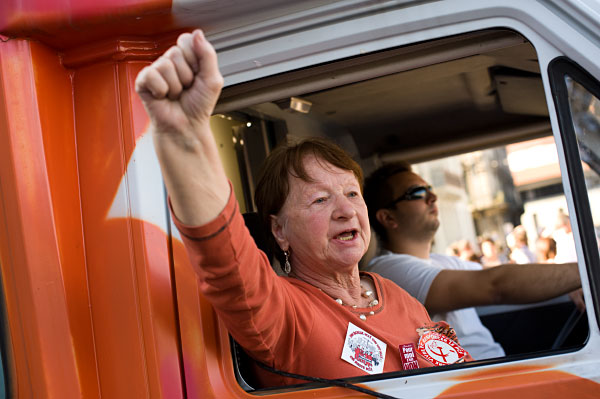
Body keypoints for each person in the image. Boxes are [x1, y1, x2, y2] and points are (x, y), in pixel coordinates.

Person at [134, 30, 468, 388]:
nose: (345, 210)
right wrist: (186, 137)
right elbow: (228, 264)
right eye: (320, 200)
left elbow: (465, 379)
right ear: (279, 231)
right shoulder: (284, 313)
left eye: (352, 194)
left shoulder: (397, 296)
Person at [363, 161, 582, 360]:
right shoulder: (388, 271)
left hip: (493, 372)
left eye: (430, 189)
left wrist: (567, 282)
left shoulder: (443, 262)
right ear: (388, 217)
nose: (433, 197)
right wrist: (584, 272)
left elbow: (511, 273)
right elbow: (496, 285)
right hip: (473, 383)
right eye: (417, 192)